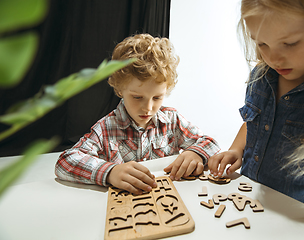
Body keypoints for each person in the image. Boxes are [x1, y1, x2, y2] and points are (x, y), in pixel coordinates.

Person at [208, 0, 304, 212]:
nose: (273, 58)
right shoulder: (260, 77)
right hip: (249, 205)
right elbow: (256, 123)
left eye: (289, 43)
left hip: (301, 222)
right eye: (262, 44)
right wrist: (236, 149)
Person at [55, 34, 220, 195]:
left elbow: (210, 142)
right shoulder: (106, 128)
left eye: (157, 97)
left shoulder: (172, 120)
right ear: (120, 89)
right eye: (137, 97)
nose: (148, 108)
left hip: (167, 202)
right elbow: (65, 162)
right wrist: (110, 172)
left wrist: (196, 153)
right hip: (125, 211)